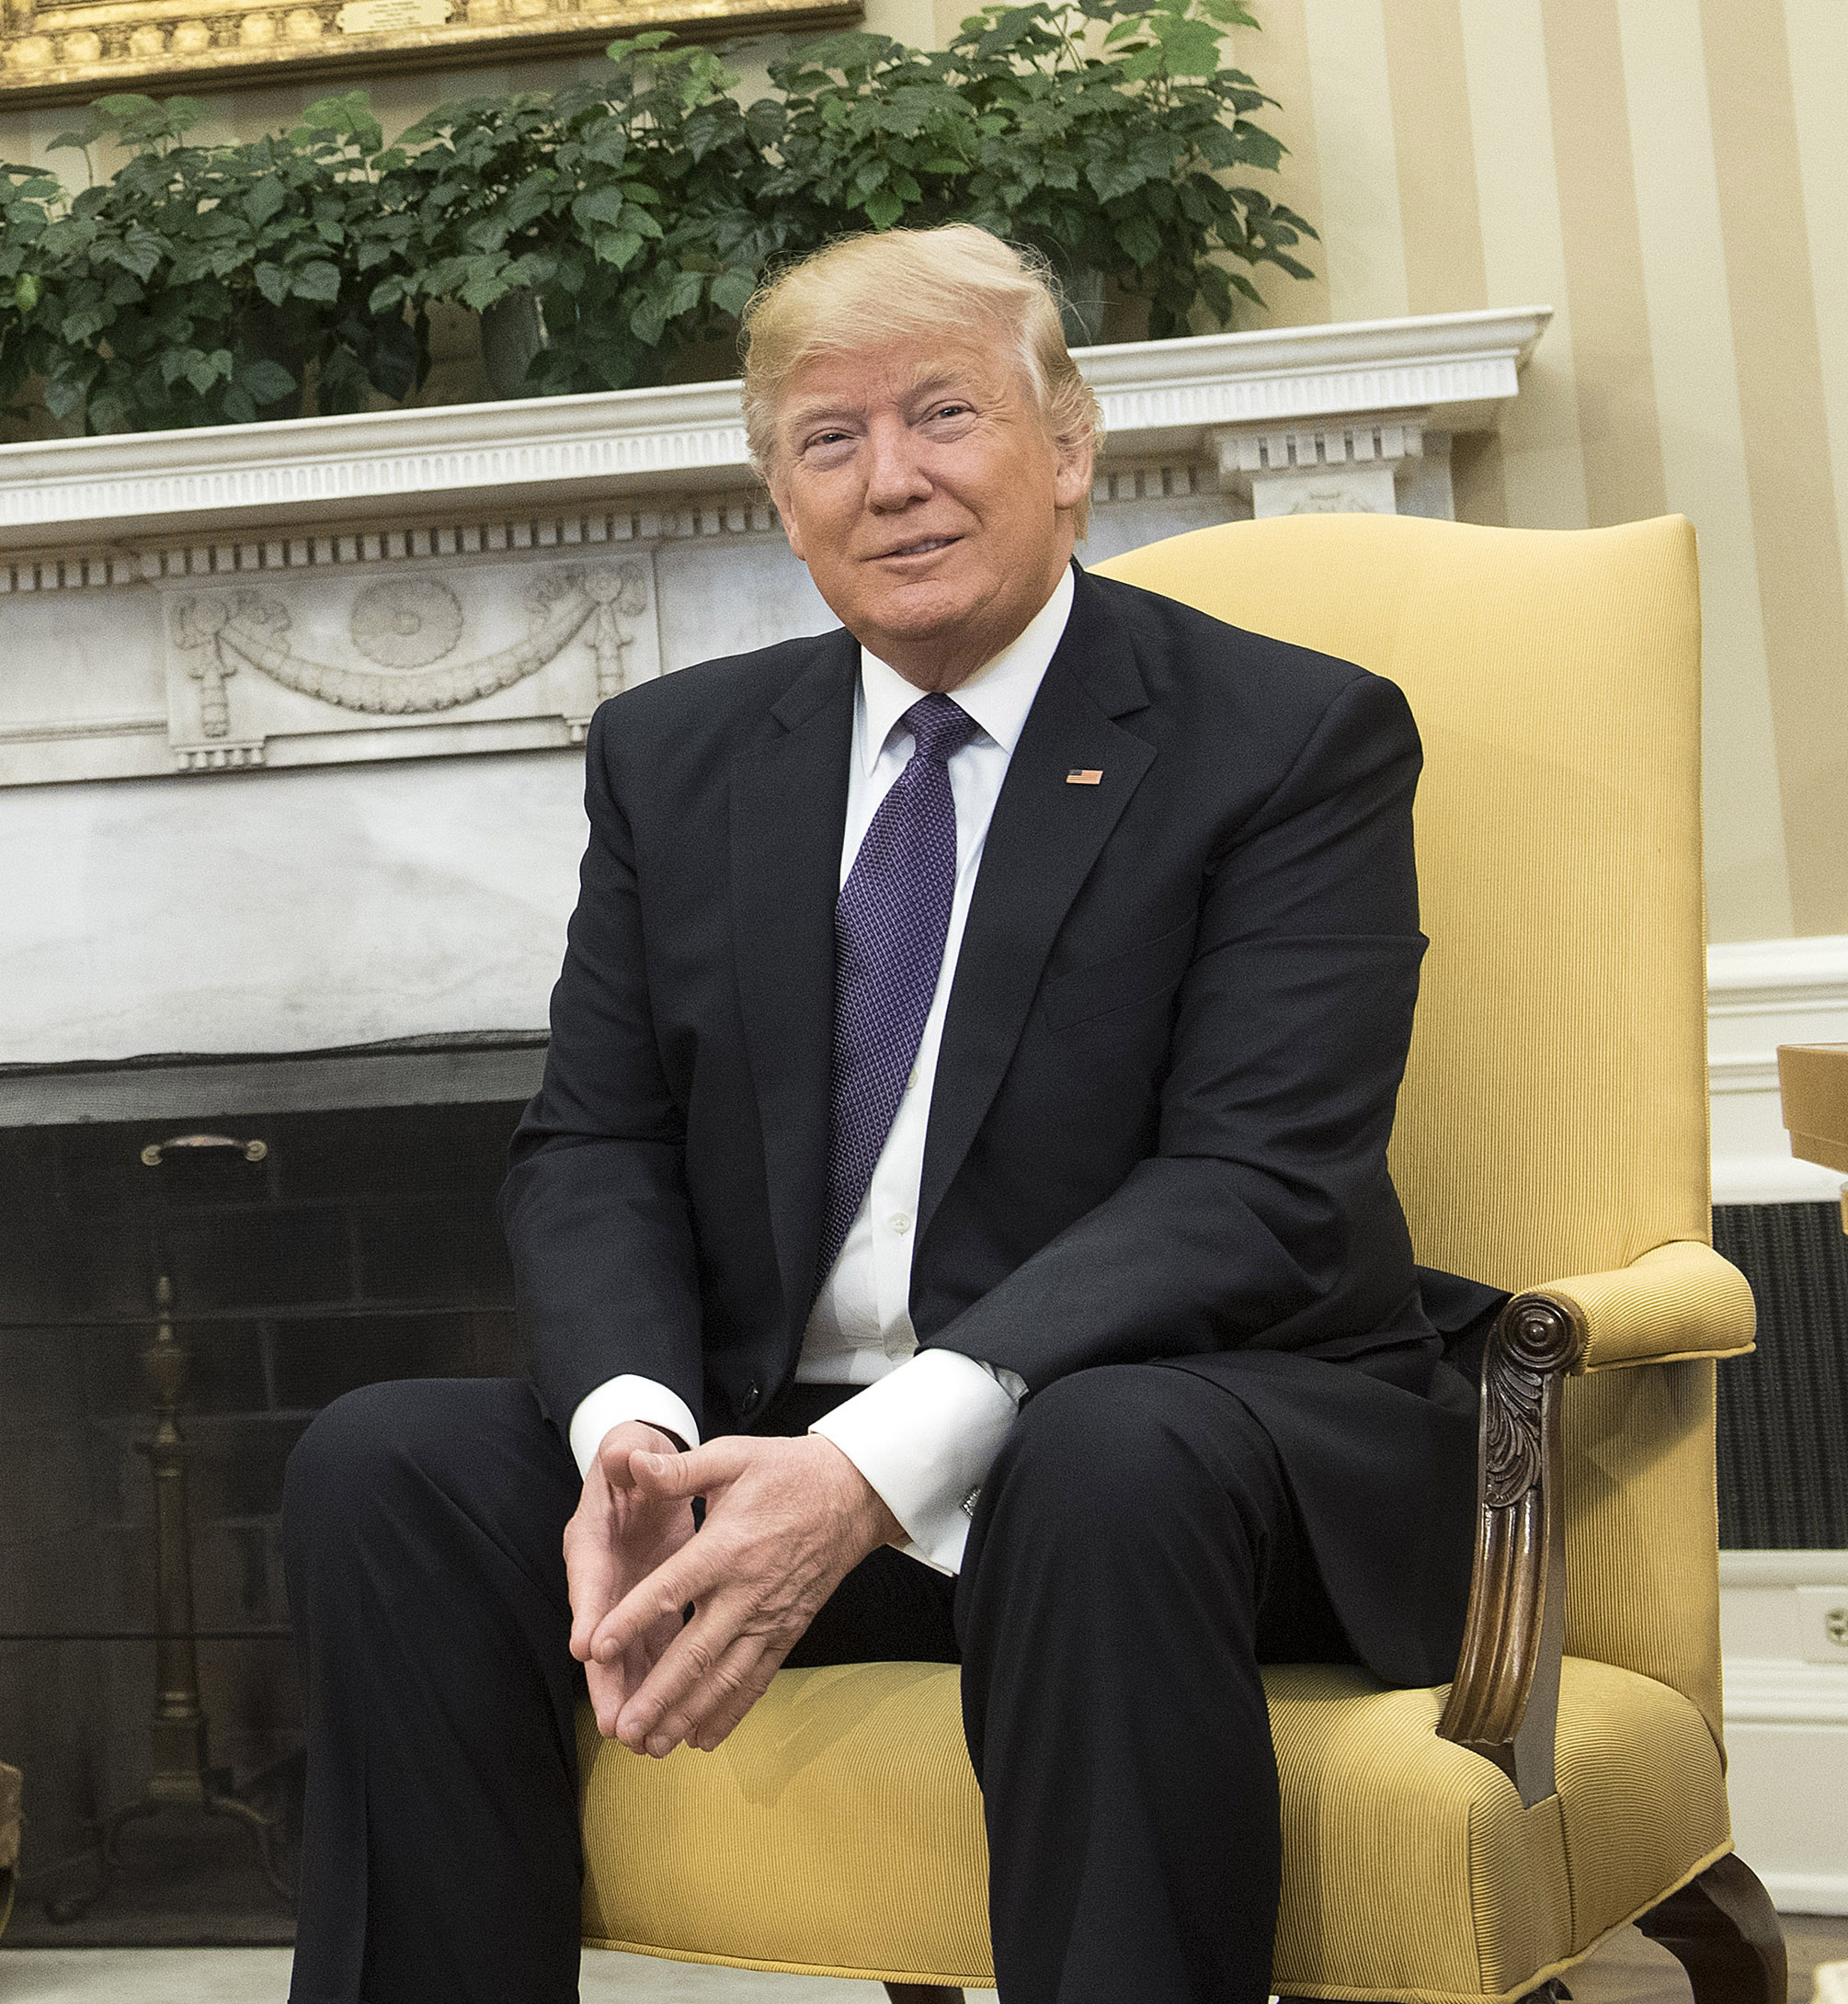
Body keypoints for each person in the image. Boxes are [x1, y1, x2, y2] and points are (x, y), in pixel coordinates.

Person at [281, 225, 1505, 2004]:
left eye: (944, 413)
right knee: (383, 1465)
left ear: (1067, 445)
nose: (892, 481)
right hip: (772, 1434)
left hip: (1168, 1464)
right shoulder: (676, 754)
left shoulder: (1283, 739)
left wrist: (875, 1464)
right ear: (778, 495)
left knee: (1100, 1460)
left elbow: (1256, 1184)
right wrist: (626, 1433)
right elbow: (595, 1139)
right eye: (827, 439)